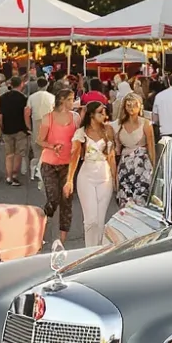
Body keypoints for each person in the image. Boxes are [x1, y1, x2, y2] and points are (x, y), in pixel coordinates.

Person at [65, 101, 116, 248]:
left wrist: (115, 179)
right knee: (90, 219)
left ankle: (99, 250)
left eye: (105, 111)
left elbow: (111, 156)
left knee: (100, 220)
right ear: (91, 114)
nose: (104, 115)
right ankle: (89, 250)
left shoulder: (109, 130)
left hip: (104, 175)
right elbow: (74, 157)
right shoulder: (81, 132)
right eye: (100, 112)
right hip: (86, 176)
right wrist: (69, 180)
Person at [38, 88, 78, 245]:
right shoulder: (48, 118)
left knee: (67, 200)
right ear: (62, 100)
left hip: (68, 164)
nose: (72, 102)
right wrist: (51, 146)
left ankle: (62, 239)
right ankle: (42, 221)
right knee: (53, 198)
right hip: (49, 163)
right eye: (70, 99)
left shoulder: (75, 118)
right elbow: (39, 140)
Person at [113, 92, 155, 206]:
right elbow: (116, 149)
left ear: (140, 106)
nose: (131, 108)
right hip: (125, 164)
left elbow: (151, 146)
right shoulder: (120, 124)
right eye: (128, 105)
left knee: (141, 198)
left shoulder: (146, 123)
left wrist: (154, 167)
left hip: (142, 164)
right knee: (125, 199)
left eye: (135, 105)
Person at [25, 77, 55, 187]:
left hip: (36, 123)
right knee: (47, 148)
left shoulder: (31, 97)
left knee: (37, 148)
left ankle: (37, 170)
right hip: (49, 123)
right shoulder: (52, 97)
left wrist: (29, 127)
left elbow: (27, 113)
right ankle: (45, 169)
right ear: (47, 85)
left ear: (38, 85)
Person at [0, 75, 29, 186]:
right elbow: (26, 114)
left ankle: (8, 176)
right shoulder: (23, 98)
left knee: (9, 154)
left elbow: (0, 115)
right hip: (20, 128)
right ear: (21, 84)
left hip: (7, 128)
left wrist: (2, 127)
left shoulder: (3, 98)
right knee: (18, 153)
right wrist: (28, 127)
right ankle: (15, 175)